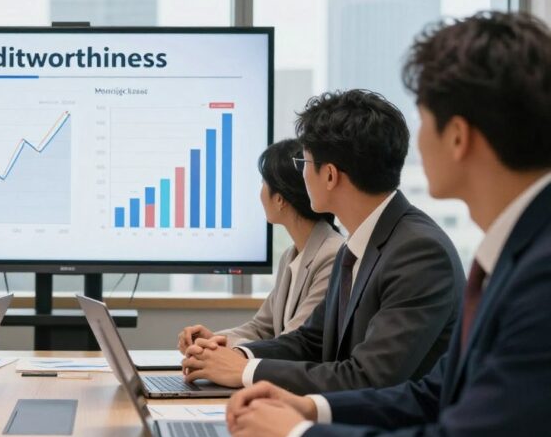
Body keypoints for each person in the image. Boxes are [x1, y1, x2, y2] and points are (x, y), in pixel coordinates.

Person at [226, 11, 551, 437]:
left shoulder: (539, 272)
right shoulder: (516, 251)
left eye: (423, 120)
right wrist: (310, 408)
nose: (414, 144)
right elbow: (433, 393)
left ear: (459, 136)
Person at [179, 89, 463, 393]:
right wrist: (238, 354)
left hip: (392, 433)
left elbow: (369, 378)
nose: (302, 173)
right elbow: (310, 340)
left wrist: (246, 371)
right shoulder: (357, 247)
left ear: (329, 175)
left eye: (305, 161)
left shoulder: (418, 252)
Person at [177, 138, 343, 348]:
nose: (260, 192)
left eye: (264, 183)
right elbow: (261, 328)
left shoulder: (332, 255)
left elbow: (293, 342)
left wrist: (221, 344)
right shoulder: (291, 256)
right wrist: (212, 338)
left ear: (280, 199)